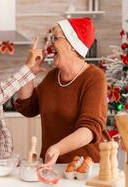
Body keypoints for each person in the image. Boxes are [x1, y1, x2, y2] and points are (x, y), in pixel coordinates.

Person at [15, 17, 109, 166]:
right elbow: (27, 107)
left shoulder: (94, 77)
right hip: (53, 165)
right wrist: (29, 71)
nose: (51, 43)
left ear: (73, 45)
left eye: (56, 38)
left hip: (86, 166)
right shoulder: (53, 76)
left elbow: (89, 129)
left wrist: (58, 147)